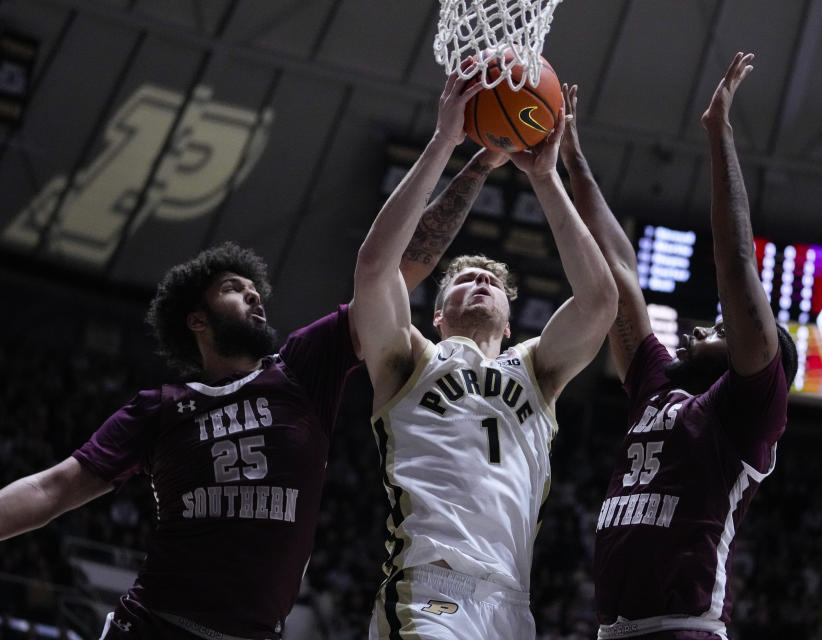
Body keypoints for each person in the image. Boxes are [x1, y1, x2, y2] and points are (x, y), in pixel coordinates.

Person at [0, 142, 508, 640]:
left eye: (255, 290)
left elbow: (396, 271)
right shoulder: (159, 409)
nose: (253, 296)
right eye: (233, 290)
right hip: (154, 624)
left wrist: (477, 166)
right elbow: (53, 490)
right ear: (197, 321)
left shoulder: (303, 370)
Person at [353, 71, 617, 639]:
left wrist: (547, 179)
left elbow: (599, 302)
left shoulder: (537, 370)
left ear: (512, 314)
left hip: (510, 607)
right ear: (437, 313)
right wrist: (445, 141)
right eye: (463, 279)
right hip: (429, 588)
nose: (478, 280)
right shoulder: (409, 358)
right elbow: (375, 270)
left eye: (490, 280)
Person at [558, 53, 798, 639]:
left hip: (683, 631)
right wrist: (571, 158)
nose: (698, 330)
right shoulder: (656, 385)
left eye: (719, 330)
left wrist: (720, 136)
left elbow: (736, 262)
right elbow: (619, 271)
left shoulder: (747, 414)